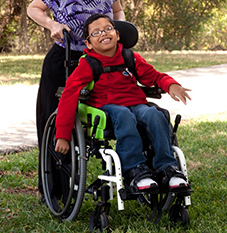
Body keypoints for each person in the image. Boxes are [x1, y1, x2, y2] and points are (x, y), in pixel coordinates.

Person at [27, 0, 125, 198]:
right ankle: (56, 189)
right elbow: (33, 9)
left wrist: (121, 31)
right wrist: (52, 24)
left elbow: (117, 11)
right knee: (56, 120)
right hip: (64, 59)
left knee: (99, 120)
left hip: (100, 61)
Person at [55, 14, 192, 193]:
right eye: (96, 32)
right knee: (123, 114)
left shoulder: (130, 58)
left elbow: (155, 76)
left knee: (155, 114)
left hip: (135, 104)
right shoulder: (87, 64)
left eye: (108, 29)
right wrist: (63, 134)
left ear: (117, 34)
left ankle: (167, 168)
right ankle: (133, 169)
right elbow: (69, 94)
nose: (103, 33)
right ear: (88, 43)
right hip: (106, 107)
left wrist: (171, 85)